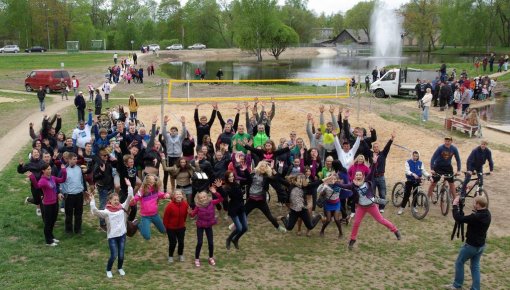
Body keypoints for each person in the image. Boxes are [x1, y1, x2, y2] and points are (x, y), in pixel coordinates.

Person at [337, 171, 400, 250]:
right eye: (357, 175)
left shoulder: (367, 182)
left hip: (371, 206)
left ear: (363, 176)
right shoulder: (352, 185)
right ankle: (352, 240)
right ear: (355, 177)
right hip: (361, 207)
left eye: (360, 175)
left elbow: (371, 172)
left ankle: (395, 231)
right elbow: (343, 186)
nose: (358, 176)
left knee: (381, 220)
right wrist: (334, 183)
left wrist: (374, 163)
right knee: (356, 223)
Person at [444, 195, 491, 290]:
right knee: (475, 266)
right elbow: (472, 217)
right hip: (481, 246)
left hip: (471, 246)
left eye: (474, 203)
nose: (473, 204)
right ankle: (475, 288)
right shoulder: (487, 214)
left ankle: (457, 285)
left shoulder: (475, 217)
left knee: (459, 262)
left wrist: (454, 206)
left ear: (478, 205)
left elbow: (459, 218)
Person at [89, 178, 134, 278]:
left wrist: (129, 186)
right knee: (114, 255)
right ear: (109, 201)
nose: (117, 201)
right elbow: (96, 211)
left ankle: (120, 268)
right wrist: (92, 201)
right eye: (114, 200)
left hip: (122, 235)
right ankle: (108, 270)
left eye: (117, 200)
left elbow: (129, 197)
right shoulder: (107, 212)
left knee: (121, 255)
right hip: (112, 237)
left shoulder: (122, 208)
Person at [28, 163, 66, 246]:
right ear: (43, 171)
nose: (50, 170)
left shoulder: (52, 178)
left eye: (50, 169)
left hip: (55, 203)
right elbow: (37, 186)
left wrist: (63, 170)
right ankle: (48, 241)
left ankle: (51, 237)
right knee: (48, 223)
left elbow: (63, 180)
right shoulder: (42, 180)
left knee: (53, 221)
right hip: (47, 205)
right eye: (48, 169)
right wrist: (32, 177)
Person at [190, 180, 224, 267]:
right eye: (201, 198)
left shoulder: (211, 203)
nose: (203, 199)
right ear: (198, 199)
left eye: (204, 197)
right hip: (200, 226)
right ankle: (197, 259)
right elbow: (192, 214)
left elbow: (221, 199)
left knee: (211, 243)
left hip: (209, 225)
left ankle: (211, 257)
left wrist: (215, 192)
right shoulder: (198, 206)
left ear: (207, 197)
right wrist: (189, 212)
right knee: (200, 242)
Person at [130, 174, 170, 240]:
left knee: (163, 231)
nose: (153, 181)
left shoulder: (155, 190)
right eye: (151, 179)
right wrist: (132, 202)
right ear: (147, 181)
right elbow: (135, 199)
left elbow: (161, 194)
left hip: (155, 215)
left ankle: (141, 225)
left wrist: (166, 195)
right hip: (146, 217)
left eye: (154, 179)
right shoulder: (142, 191)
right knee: (147, 237)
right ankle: (138, 225)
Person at [218, 171, 247, 249]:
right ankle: (229, 239)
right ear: (227, 178)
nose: (231, 178)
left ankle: (235, 239)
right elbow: (224, 195)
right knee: (239, 228)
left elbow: (241, 195)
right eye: (229, 177)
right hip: (233, 209)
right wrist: (219, 188)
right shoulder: (227, 187)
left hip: (241, 207)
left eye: (232, 176)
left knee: (245, 228)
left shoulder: (237, 184)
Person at [60, 152, 87, 234]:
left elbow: (82, 180)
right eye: (73, 159)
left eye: (76, 159)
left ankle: (78, 229)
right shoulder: (64, 170)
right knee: (69, 214)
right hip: (69, 195)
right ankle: (68, 230)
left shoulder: (79, 168)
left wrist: (85, 190)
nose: (75, 161)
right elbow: (61, 182)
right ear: (68, 159)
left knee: (79, 213)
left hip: (79, 194)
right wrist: (62, 192)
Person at [427, 136, 461, 200]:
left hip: (447, 167)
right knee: (433, 183)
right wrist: (431, 169)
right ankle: (427, 198)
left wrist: (458, 170)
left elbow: (458, 159)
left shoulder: (454, 149)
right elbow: (433, 158)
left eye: (448, 141)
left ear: (451, 141)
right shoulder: (440, 148)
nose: (447, 142)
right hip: (438, 167)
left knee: (452, 184)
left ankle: (455, 201)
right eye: (446, 141)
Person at [399, 151, 430, 215]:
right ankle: (402, 208)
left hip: (417, 181)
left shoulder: (420, 163)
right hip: (410, 180)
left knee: (416, 194)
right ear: (412, 155)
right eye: (414, 156)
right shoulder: (408, 162)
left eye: (416, 156)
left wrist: (428, 175)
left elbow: (423, 171)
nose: (415, 157)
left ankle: (414, 206)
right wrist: (413, 174)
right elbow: (407, 171)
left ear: (418, 156)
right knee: (406, 195)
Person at [163, 190, 189, 263]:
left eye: (180, 194)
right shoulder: (169, 206)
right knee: (173, 242)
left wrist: (183, 224)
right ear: (173, 196)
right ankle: (170, 256)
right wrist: (165, 228)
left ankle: (180, 254)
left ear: (182, 195)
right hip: (171, 228)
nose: (178, 195)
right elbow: (165, 218)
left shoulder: (185, 204)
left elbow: (185, 216)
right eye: (176, 194)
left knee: (181, 242)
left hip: (181, 227)